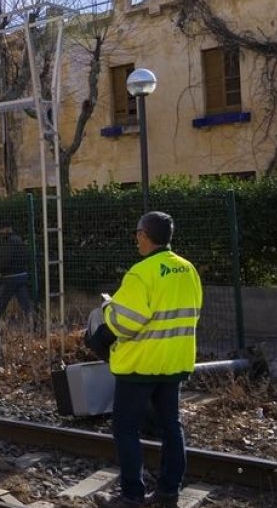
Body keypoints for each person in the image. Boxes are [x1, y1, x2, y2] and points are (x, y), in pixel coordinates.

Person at [92, 211, 202, 508]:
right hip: (175, 362)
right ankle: (168, 492)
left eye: (137, 233)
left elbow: (125, 322)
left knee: (126, 428)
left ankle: (132, 496)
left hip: (140, 365)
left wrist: (106, 317)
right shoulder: (187, 268)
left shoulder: (141, 273)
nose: (136, 238)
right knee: (171, 426)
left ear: (144, 235)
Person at [0, 223, 34, 319]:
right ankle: (32, 323)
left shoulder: (8, 242)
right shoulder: (18, 239)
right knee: (25, 302)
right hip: (21, 274)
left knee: (0, 302)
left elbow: (6, 258)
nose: (0, 232)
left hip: (10, 276)